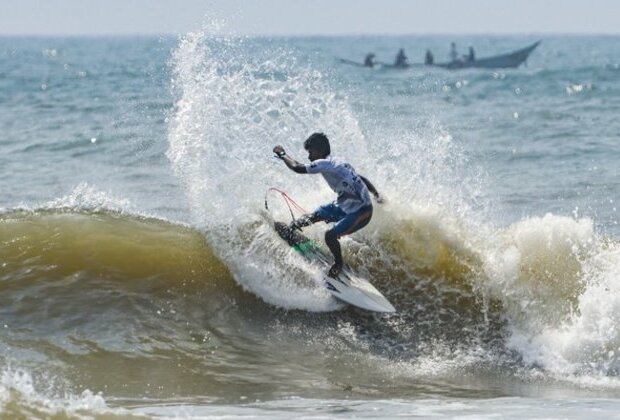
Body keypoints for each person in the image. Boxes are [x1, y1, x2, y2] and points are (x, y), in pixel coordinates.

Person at [273, 133, 382, 278]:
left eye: (311, 152)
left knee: (330, 236)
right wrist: (376, 194)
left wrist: (282, 154)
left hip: (362, 212)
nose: (309, 157)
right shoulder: (340, 162)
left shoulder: (325, 163)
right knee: (316, 215)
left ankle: (338, 264)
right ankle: (292, 229)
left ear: (319, 150)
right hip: (346, 204)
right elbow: (361, 179)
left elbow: (297, 167)